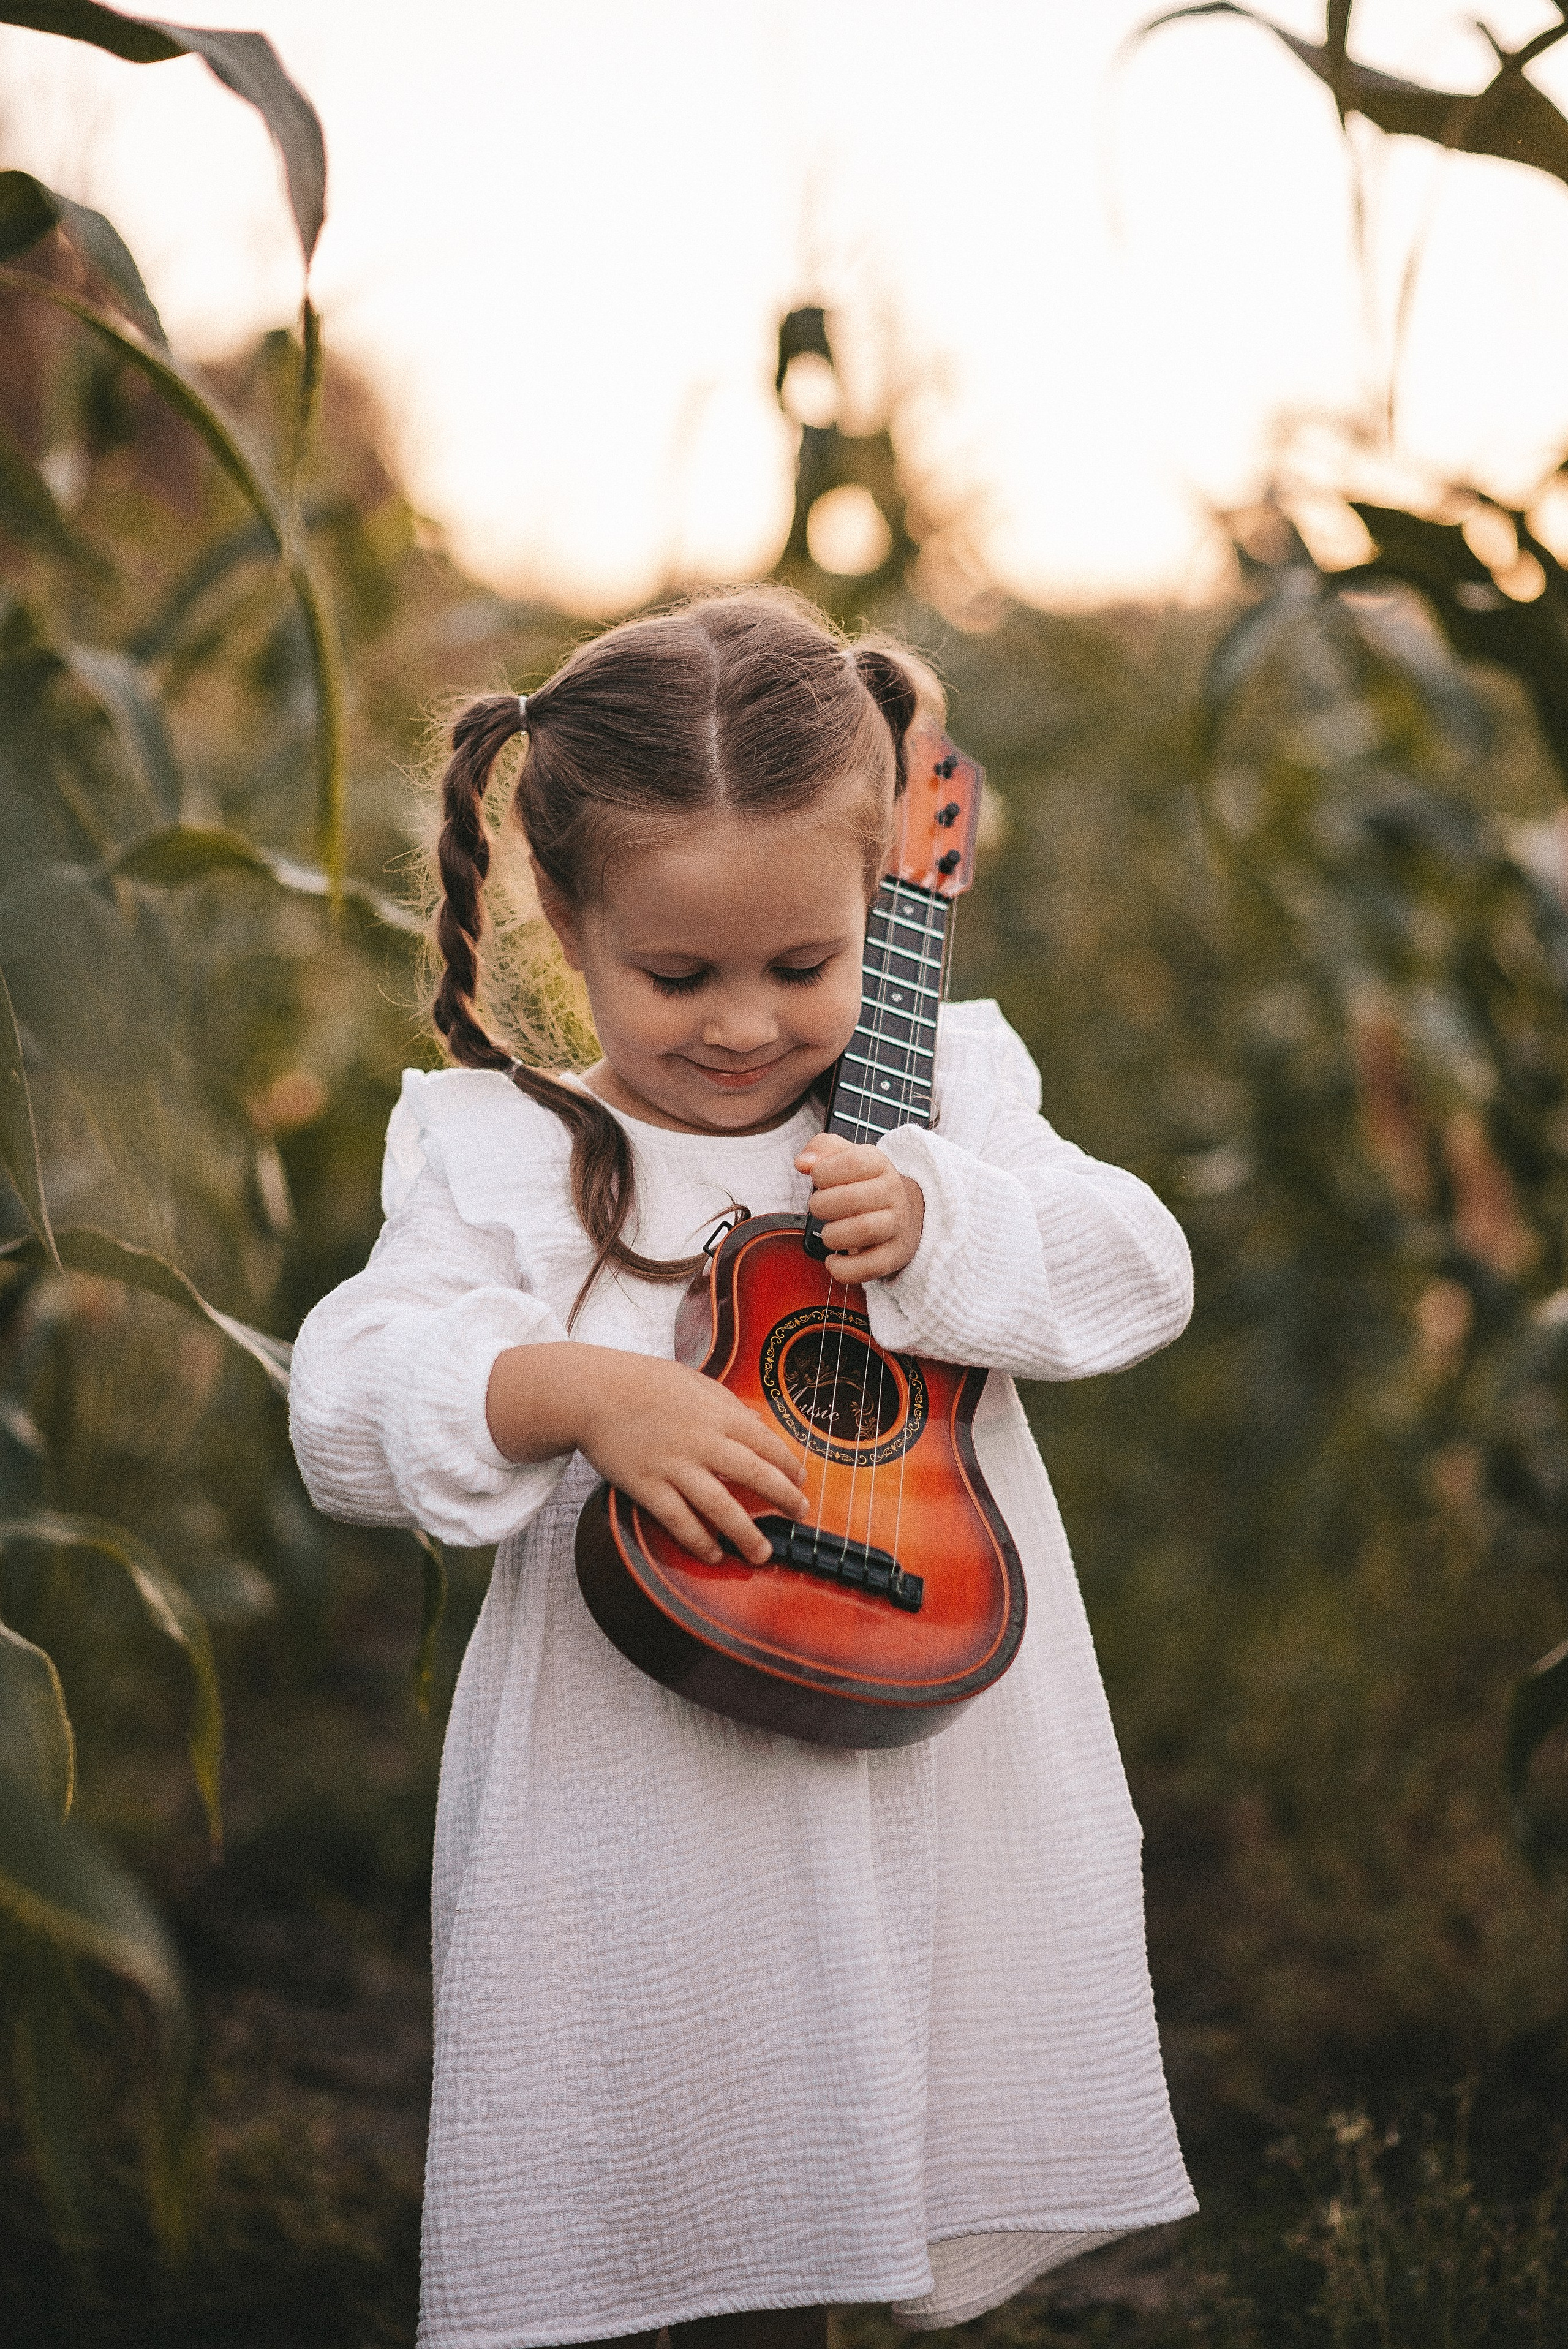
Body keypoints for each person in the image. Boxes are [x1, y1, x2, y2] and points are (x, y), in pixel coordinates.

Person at [288, 586, 1197, 2349]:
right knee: (688, 2160)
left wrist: (946, 1222)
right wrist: (570, 1391)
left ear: (883, 899)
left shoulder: (942, 1099)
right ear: (567, 916)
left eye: (801, 966)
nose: (741, 1026)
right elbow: (345, 1394)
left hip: (928, 1750)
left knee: (868, 2156)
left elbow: (1142, 1268)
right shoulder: (506, 1154)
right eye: (678, 975)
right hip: (642, 1787)